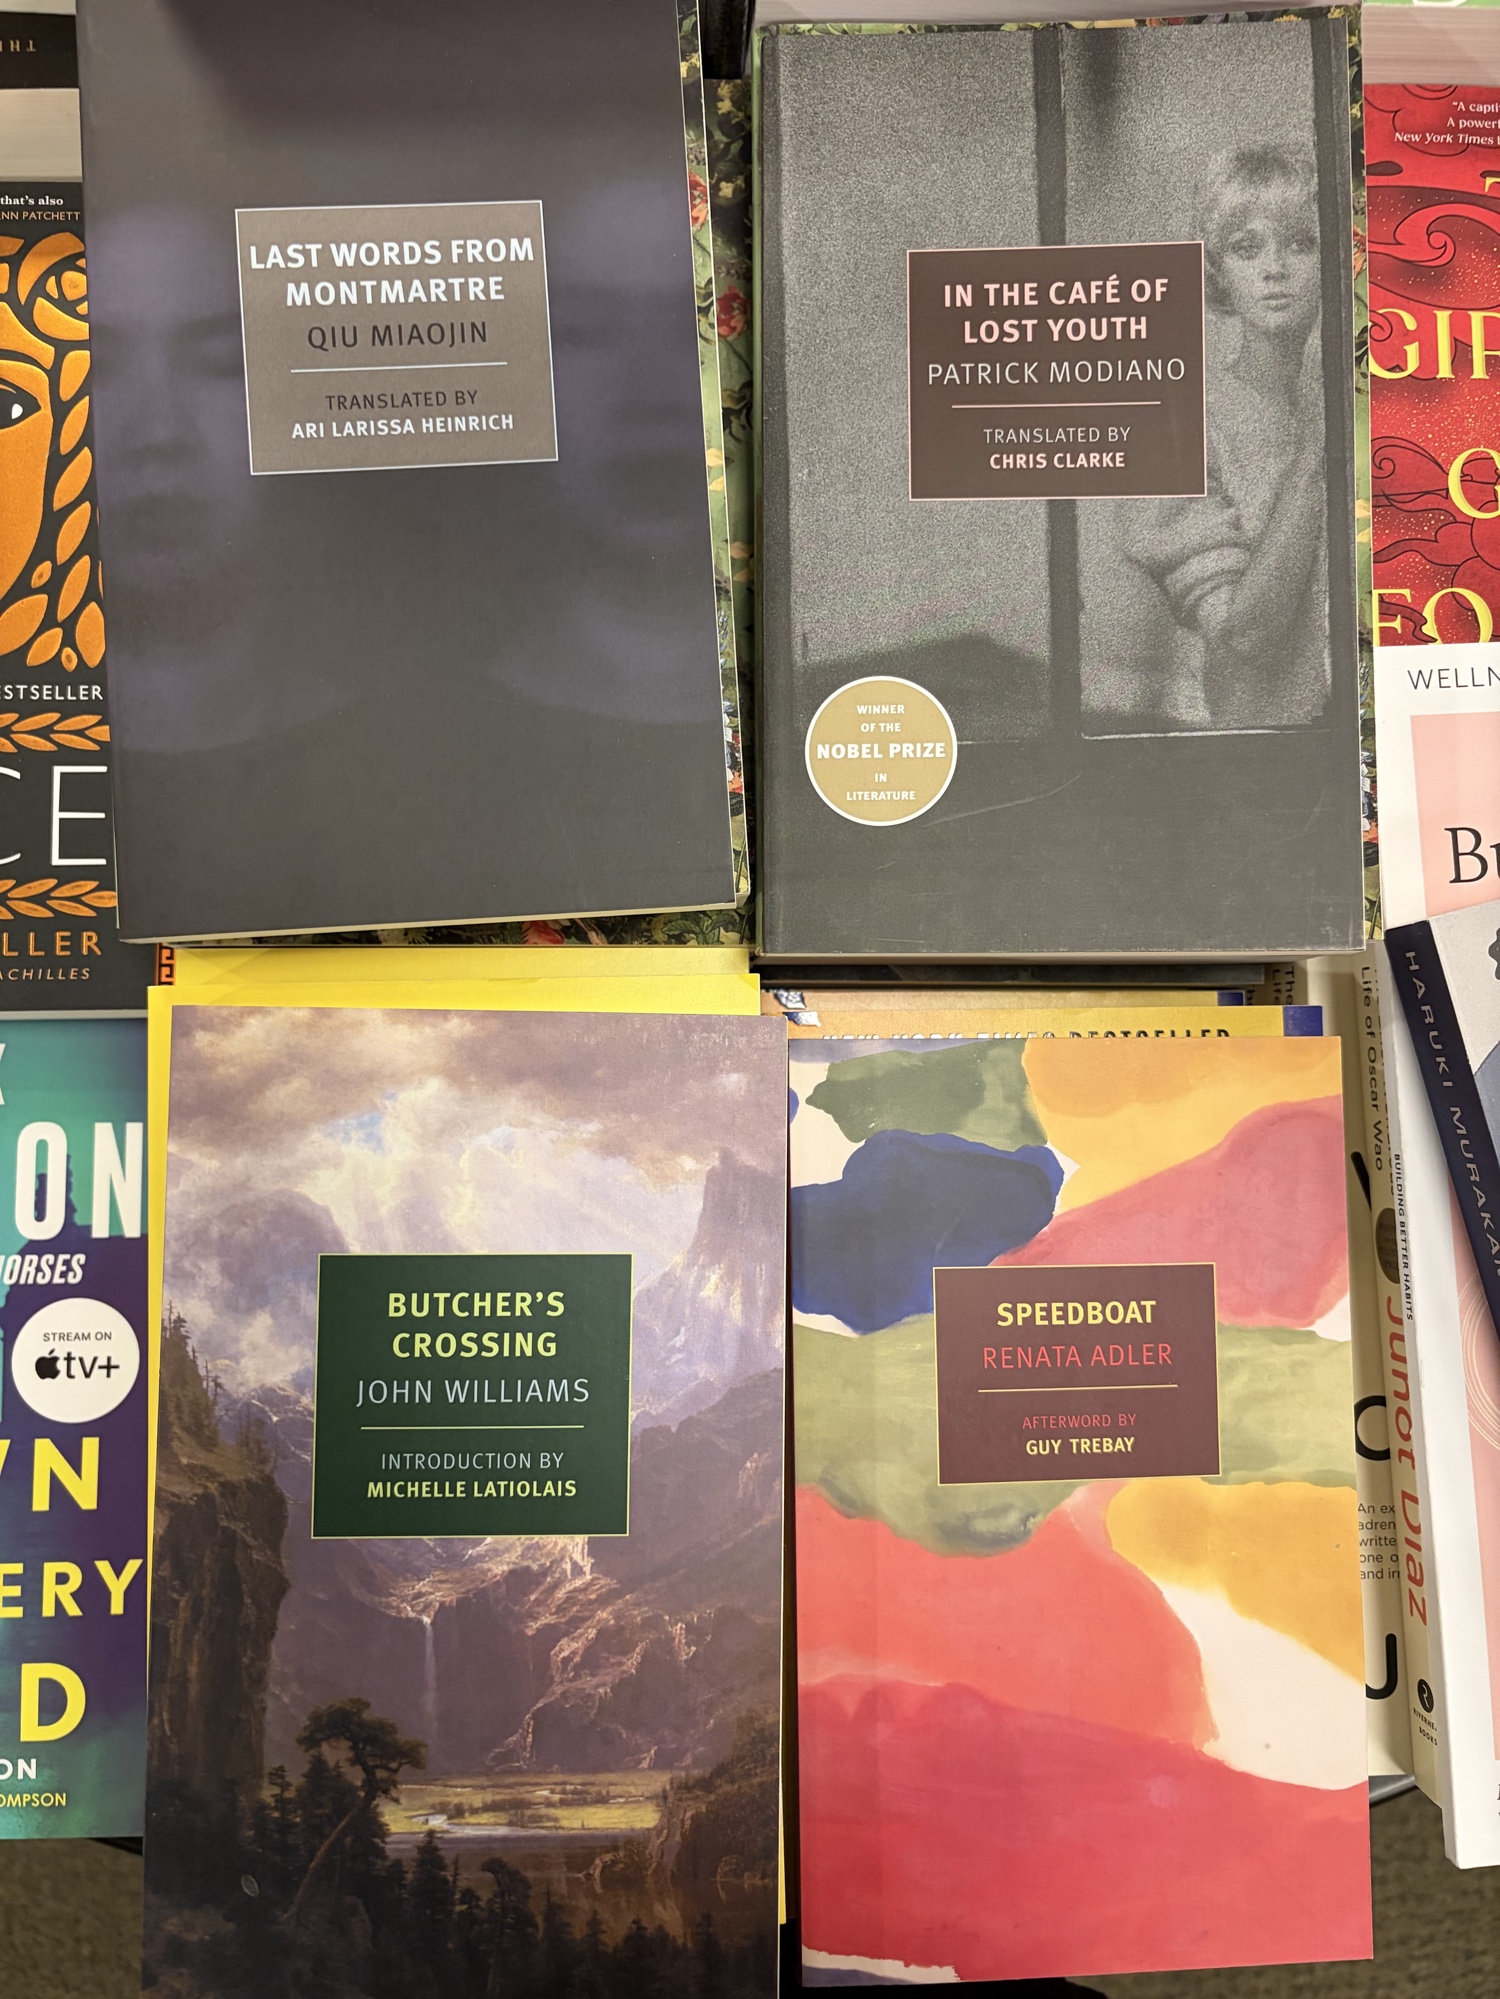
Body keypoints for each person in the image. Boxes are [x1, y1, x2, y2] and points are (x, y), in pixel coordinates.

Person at [1117, 143, 1330, 730]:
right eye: (1246, 247)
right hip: (1263, 751)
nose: (1274, 268)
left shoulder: (1371, 394)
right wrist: (1319, 449)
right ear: (1218, 271)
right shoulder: (1180, 420)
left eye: (1301, 243)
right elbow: (1245, 637)